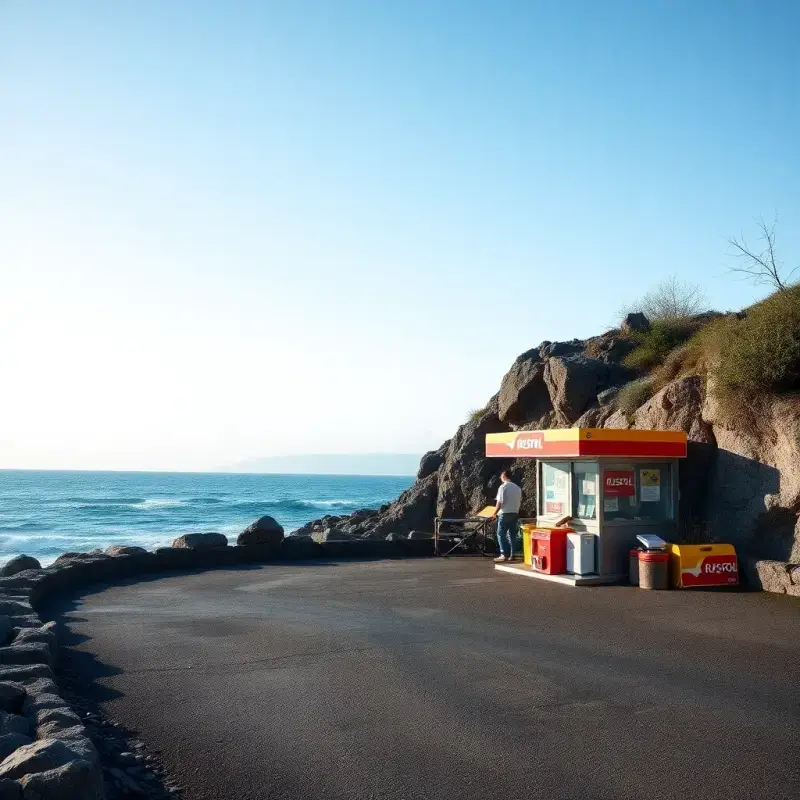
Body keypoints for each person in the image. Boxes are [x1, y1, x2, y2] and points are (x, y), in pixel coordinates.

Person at [492, 470, 522, 562]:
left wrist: (494, 513)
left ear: (504, 476)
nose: (500, 478)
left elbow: (500, 502)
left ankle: (503, 554)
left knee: (501, 534)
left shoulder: (503, 487)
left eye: (501, 476)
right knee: (512, 535)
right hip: (515, 513)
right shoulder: (517, 488)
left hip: (505, 513)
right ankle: (512, 554)